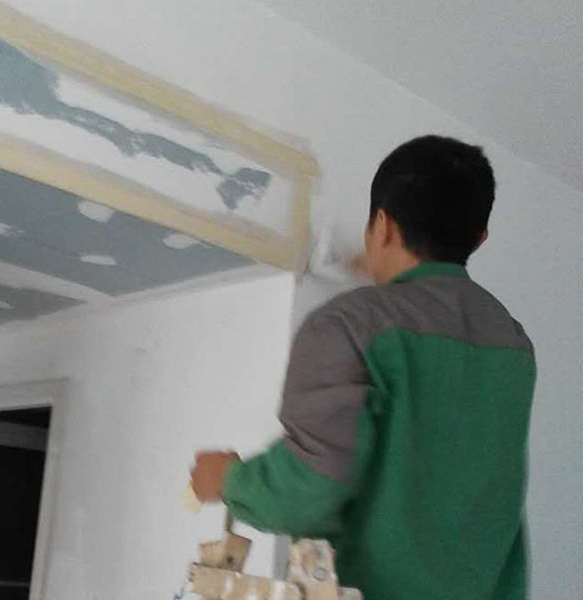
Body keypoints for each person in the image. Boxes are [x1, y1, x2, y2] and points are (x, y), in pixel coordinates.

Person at [190, 135, 535, 600]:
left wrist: (227, 481)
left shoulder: (349, 324)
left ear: (383, 225)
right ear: (478, 238)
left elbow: (312, 486)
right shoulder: (512, 342)